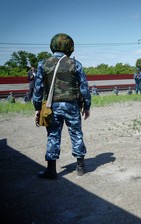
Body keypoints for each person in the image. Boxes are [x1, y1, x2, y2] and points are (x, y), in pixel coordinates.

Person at [33, 33, 91, 179]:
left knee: (53, 135)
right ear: (70, 47)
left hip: (52, 106)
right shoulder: (75, 64)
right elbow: (84, 87)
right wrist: (87, 106)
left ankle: (51, 170)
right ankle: (80, 167)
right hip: (72, 105)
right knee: (76, 133)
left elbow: (38, 88)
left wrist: (37, 108)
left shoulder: (43, 64)